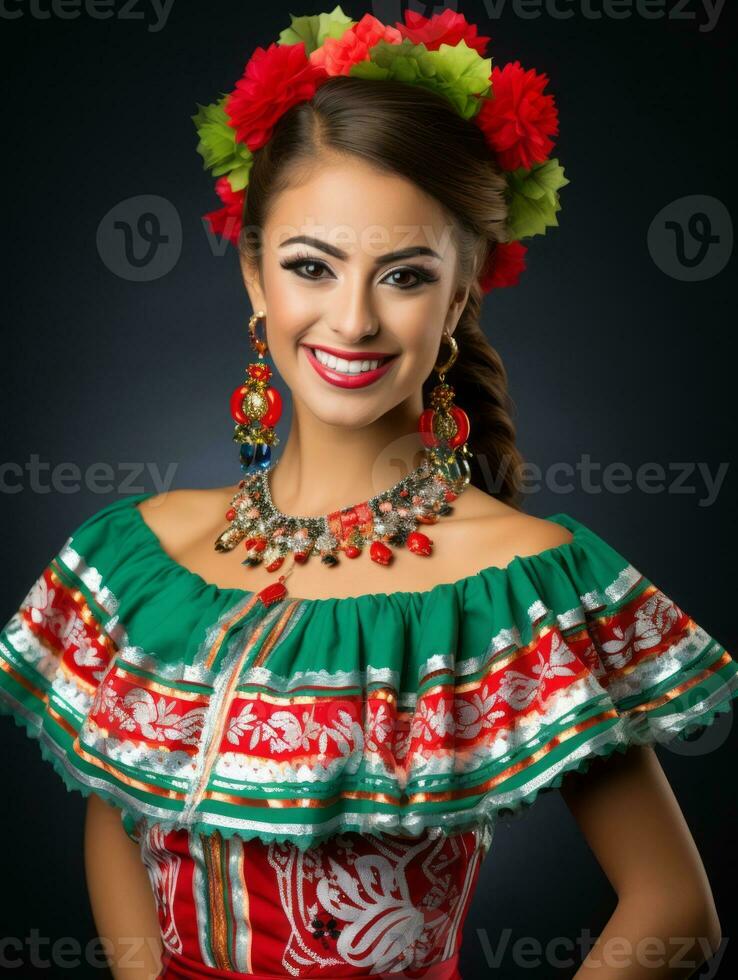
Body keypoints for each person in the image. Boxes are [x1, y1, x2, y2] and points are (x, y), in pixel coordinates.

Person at [1, 9, 735, 980]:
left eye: (404, 274)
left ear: (460, 296)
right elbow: (116, 815)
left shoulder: (521, 580)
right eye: (311, 265)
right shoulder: (142, 555)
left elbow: (675, 908)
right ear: (256, 276)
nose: (351, 317)